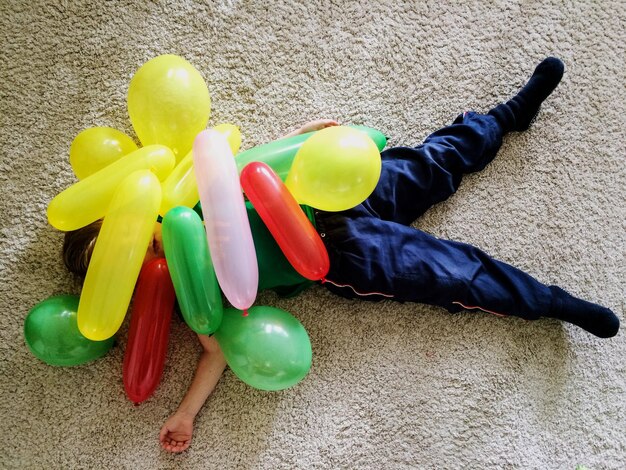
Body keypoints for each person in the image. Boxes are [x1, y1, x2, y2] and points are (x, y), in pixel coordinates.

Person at [62, 57, 619, 453]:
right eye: (124, 262)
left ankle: (508, 113)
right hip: (339, 254)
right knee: (451, 275)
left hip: (326, 186)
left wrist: (299, 136)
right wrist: (185, 414)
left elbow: (245, 170)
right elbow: (217, 349)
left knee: (433, 162)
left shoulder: (178, 189)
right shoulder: (186, 291)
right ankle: (550, 302)